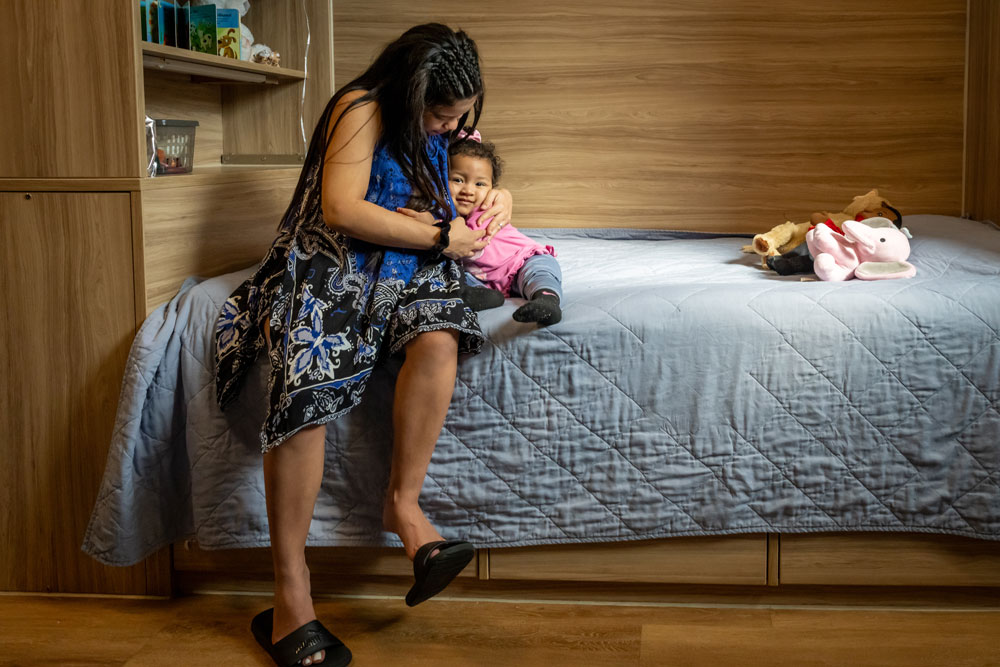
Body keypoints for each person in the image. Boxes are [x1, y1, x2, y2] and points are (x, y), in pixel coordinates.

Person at [213, 24, 512, 667]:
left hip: (401, 266)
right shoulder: (360, 107)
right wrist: (438, 239)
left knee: (439, 339)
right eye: (439, 116)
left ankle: (404, 507)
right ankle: (291, 596)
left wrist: (499, 195)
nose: (446, 129)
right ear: (411, 92)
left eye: (457, 119)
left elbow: (475, 165)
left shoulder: (439, 125)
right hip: (331, 261)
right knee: (307, 379)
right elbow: (342, 209)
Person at [448, 129, 563, 325]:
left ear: (492, 188)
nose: (468, 190)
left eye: (480, 184)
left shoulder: (490, 206)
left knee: (540, 270)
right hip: (484, 279)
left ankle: (547, 300)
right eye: (458, 180)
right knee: (453, 275)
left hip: (519, 261)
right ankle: (483, 296)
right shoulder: (443, 215)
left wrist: (504, 193)